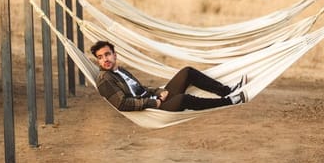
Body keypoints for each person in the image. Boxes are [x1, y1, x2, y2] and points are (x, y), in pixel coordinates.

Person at [90, 40, 247, 113]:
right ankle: (229, 101)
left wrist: (159, 92)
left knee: (188, 72)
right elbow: (122, 103)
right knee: (184, 99)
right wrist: (153, 102)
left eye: (107, 54)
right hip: (150, 110)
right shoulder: (105, 79)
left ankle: (226, 91)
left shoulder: (120, 70)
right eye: (100, 57)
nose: (105, 60)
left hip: (155, 99)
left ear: (114, 55)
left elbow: (141, 88)